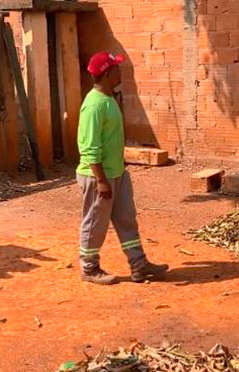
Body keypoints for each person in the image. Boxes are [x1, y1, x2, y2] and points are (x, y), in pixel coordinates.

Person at [76, 51, 168, 285]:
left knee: (126, 219)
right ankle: (89, 269)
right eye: (116, 69)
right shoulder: (94, 106)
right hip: (99, 176)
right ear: (107, 74)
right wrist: (101, 180)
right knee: (95, 223)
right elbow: (89, 147)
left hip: (117, 173)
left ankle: (139, 265)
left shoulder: (109, 99)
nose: (121, 71)